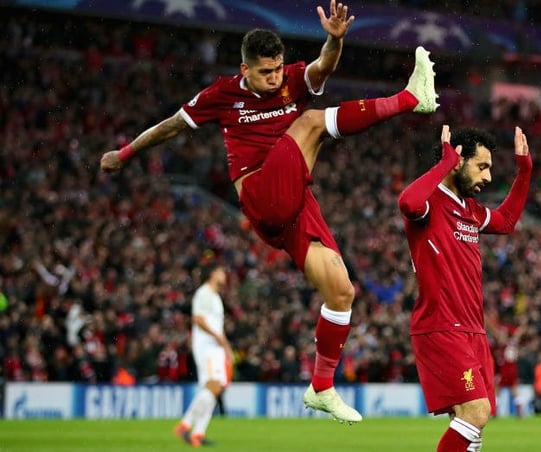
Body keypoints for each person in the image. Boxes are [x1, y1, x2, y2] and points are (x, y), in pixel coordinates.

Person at [100, 1, 438, 423]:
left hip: (295, 201)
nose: (275, 77)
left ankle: (322, 387)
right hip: (261, 192)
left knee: (341, 289)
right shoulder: (220, 95)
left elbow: (322, 68)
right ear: (245, 70)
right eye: (265, 71)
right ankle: (410, 98)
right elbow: (171, 125)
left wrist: (334, 40)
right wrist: (126, 152)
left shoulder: (290, 80)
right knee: (312, 123)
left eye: (278, 69)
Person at [398, 125, 532, 451]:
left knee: (473, 429)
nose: (487, 177)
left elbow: (507, 221)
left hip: (473, 330)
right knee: (476, 412)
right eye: (481, 166)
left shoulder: (469, 210)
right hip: (443, 327)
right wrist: (443, 164)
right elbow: (407, 203)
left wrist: (525, 169)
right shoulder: (431, 201)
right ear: (458, 161)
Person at [174, 262, 232, 447]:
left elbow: (216, 326)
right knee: (213, 386)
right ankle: (185, 425)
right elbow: (198, 319)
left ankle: (198, 433)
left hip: (215, 347)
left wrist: (226, 347)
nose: (224, 274)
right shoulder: (204, 293)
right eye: (221, 270)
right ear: (212, 274)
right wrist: (219, 339)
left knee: (213, 389)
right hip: (206, 346)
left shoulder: (214, 296)